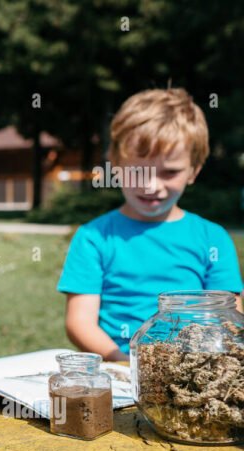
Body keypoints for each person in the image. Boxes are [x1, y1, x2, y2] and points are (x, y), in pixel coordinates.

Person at [58, 88, 243, 361]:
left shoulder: (213, 238)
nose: (151, 185)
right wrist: (126, 364)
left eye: (170, 172)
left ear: (194, 170)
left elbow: (230, 318)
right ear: (115, 164)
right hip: (118, 367)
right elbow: (79, 323)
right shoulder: (93, 237)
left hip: (192, 367)